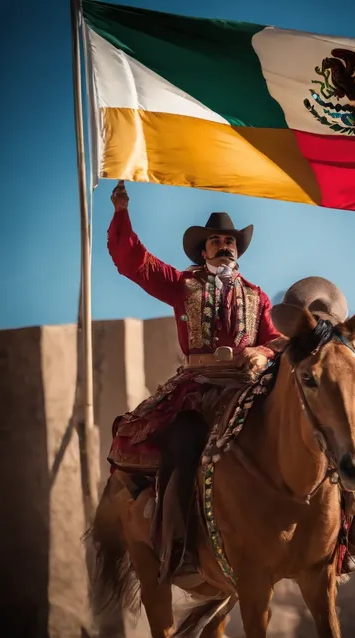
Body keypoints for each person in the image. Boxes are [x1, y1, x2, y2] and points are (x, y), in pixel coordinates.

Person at [106, 181, 281, 579]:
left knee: (297, 432)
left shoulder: (258, 296)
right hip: (197, 387)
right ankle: (177, 544)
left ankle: (337, 533)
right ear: (203, 251)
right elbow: (134, 261)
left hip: (245, 386)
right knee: (183, 446)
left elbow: (274, 340)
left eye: (230, 240)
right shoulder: (182, 284)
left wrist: (263, 351)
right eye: (216, 241)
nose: (224, 245)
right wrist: (121, 212)